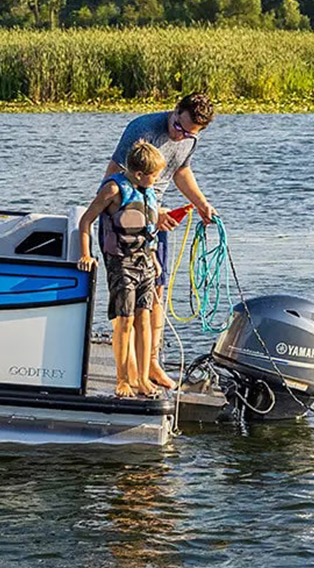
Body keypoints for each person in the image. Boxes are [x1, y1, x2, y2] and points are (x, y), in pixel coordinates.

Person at [102, 92, 217, 391]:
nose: (181, 137)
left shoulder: (189, 138)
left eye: (190, 134)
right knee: (126, 301)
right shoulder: (142, 129)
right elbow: (113, 180)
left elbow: (180, 171)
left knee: (156, 293)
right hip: (125, 226)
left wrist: (202, 204)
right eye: (179, 128)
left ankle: (152, 363)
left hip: (156, 222)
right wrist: (154, 212)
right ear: (175, 110)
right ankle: (126, 373)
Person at [75, 140, 166, 398]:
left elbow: (148, 231)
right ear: (139, 174)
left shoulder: (146, 192)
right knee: (125, 321)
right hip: (121, 263)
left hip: (145, 262)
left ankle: (142, 379)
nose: (157, 180)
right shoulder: (113, 190)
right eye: (155, 176)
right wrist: (86, 254)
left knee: (144, 319)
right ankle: (122, 379)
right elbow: (86, 222)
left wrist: (155, 259)